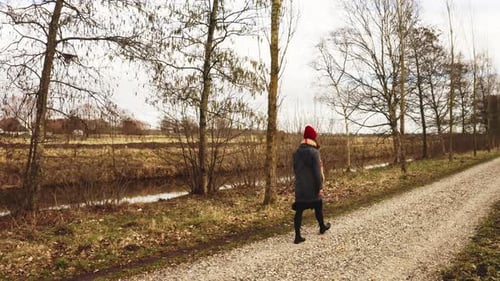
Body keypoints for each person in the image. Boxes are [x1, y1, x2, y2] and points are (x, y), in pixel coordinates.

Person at [292, 125, 330, 244]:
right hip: (312, 187)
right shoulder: (314, 152)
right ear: (313, 138)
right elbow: (317, 173)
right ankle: (322, 227)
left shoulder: (296, 152)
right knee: (318, 206)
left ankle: (297, 236)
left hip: (300, 187)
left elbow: (295, 170)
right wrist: (319, 187)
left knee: (299, 210)